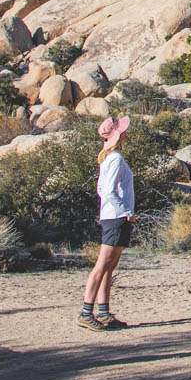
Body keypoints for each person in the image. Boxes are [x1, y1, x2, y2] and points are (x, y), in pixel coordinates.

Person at [78, 115, 135, 332]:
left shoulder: (109, 158)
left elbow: (101, 190)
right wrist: (127, 211)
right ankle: (86, 313)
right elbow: (108, 191)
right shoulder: (115, 159)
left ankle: (103, 312)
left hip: (113, 216)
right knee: (102, 265)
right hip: (116, 218)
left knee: (109, 267)